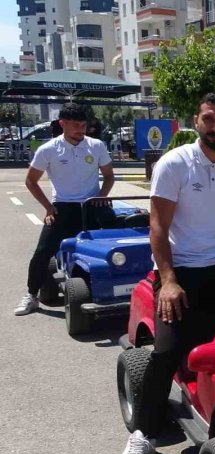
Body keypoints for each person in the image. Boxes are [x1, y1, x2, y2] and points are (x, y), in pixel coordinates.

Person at [116, 93, 215, 454]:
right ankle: (143, 434)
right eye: (210, 120)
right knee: (166, 348)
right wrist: (167, 281)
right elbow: (158, 228)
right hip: (179, 268)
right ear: (196, 121)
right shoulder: (174, 164)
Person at [14, 103, 114, 316]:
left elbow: (109, 176)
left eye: (84, 125)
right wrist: (48, 208)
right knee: (42, 252)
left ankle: (123, 286)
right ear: (62, 124)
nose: (81, 130)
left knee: (118, 242)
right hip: (63, 207)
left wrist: (102, 196)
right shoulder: (48, 150)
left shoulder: (96, 146)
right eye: (76, 125)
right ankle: (32, 295)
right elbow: (31, 181)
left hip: (92, 205)